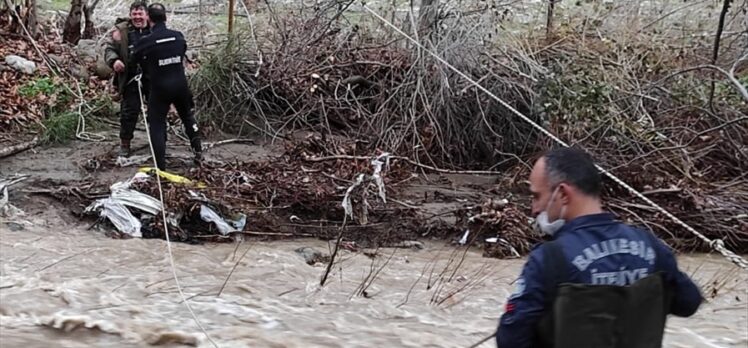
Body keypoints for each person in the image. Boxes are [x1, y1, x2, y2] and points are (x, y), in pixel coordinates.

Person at [495, 147, 702, 348]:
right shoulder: (649, 246)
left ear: (563, 194)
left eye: (537, 196)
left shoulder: (549, 259)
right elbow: (689, 303)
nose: (534, 209)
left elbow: (510, 339)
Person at [132, 3, 202, 170]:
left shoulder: (145, 42)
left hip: (159, 87)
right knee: (187, 116)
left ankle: (160, 167)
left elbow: (134, 60)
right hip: (180, 85)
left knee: (156, 124)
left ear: (148, 18)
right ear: (166, 17)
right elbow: (181, 52)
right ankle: (198, 152)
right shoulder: (178, 36)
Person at [104, 1, 151, 158]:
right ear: (130, 15)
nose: (137, 17)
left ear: (146, 15)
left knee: (157, 111)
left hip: (153, 78)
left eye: (140, 14)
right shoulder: (121, 31)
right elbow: (109, 49)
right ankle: (125, 144)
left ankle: (159, 141)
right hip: (130, 77)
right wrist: (114, 60)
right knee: (129, 112)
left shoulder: (155, 28)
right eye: (134, 14)